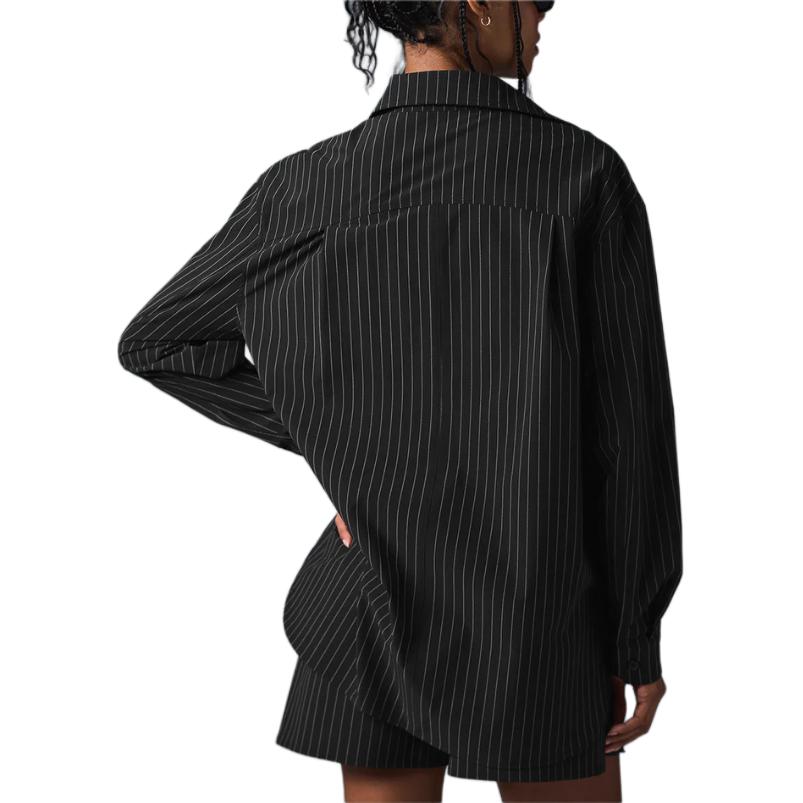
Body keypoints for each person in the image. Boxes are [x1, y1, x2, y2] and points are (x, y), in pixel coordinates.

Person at [117, 1, 683, 800]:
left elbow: (159, 341)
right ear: (477, 3)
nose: (549, 12)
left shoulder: (305, 183)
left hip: (371, 601)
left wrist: (343, 446)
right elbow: (629, 433)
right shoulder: (579, 172)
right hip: (542, 613)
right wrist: (635, 634)